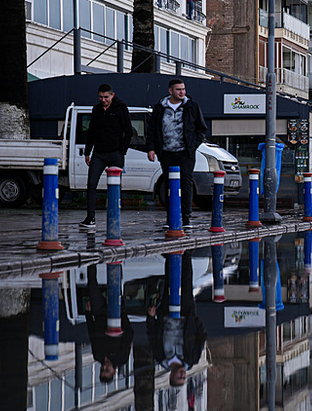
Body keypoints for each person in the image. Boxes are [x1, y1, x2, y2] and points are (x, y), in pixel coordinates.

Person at [146, 78, 208, 229]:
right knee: (169, 184)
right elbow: (152, 130)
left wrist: (193, 145)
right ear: (170, 91)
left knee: (186, 183)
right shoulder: (160, 108)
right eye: (178, 89)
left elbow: (202, 128)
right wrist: (152, 148)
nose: (182, 92)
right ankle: (171, 217)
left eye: (183, 89)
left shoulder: (191, 107)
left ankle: (186, 218)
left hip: (185, 153)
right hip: (166, 152)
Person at [147, 251, 207, 387]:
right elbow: (201, 337)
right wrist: (194, 320)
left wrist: (151, 318)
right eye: (183, 377)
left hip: (166, 312)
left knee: (170, 280)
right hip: (185, 313)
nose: (183, 374)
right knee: (185, 281)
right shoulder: (192, 358)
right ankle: (186, 253)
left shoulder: (160, 356)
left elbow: (152, 334)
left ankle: (172, 253)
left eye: (179, 377)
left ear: (171, 375)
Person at [80, 83, 133, 228]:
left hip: (115, 153)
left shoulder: (121, 108)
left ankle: (114, 216)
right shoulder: (96, 109)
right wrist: (87, 152)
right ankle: (90, 217)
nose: (103, 100)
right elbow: (91, 132)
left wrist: (122, 151)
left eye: (106, 97)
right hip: (99, 153)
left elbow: (129, 131)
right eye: (101, 97)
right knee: (91, 184)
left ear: (112, 95)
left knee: (115, 186)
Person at [84, 264, 134, 383]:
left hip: (99, 314)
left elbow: (92, 335)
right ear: (113, 371)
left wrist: (88, 314)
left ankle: (91, 256)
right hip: (116, 313)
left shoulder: (98, 355)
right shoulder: (121, 358)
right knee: (115, 283)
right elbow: (129, 335)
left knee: (91, 284)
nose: (104, 367)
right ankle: (117, 259)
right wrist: (122, 314)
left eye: (102, 370)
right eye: (107, 370)